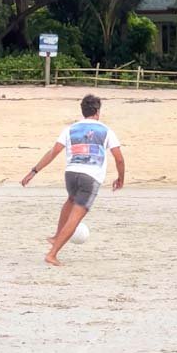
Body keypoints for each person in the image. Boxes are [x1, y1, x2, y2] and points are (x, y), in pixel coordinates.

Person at [21, 94, 125, 266]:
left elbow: (53, 152)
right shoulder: (106, 130)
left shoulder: (71, 129)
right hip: (90, 177)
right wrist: (121, 178)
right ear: (97, 111)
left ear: (83, 111)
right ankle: (52, 254)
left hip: (71, 174)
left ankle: (56, 237)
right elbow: (119, 158)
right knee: (76, 217)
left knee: (70, 199)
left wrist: (33, 171)